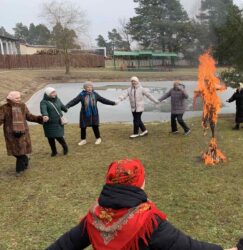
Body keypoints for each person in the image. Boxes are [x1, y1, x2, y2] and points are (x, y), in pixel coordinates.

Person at [47, 159, 223, 250]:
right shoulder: (148, 220)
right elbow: (187, 247)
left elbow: (65, 245)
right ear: (140, 183)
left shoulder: (95, 214)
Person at [0, 91, 43, 176]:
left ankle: (19, 170)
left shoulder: (23, 106)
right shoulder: (4, 108)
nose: (19, 99)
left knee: (21, 151)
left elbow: (29, 116)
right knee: (16, 152)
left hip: (23, 132)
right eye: (16, 98)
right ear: (10, 98)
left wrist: (39, 118)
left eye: (19, 97)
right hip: (11, 134)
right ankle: (26, 160)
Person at [66, 82, 117, 146]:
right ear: (85, 88)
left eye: (90, 87)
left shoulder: (95, 94)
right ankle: (83, 140)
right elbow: (74, 101)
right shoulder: (81, 95)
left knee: (95, 126)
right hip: (84, 114)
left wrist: (113, 103)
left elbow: (103, 100)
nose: (89, 88)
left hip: (94, 113)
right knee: (83, 127)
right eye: (88, 87)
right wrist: (67, 106)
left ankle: (98, 138)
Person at [40, 87, 69, 157]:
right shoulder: (44, 102)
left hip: (58, 122)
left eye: (54, 92)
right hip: (49, 123)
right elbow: (43, 109)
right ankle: (54, 151)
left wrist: (65, 109)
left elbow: (62, 106)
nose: (54, 94)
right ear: (48, 94)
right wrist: (45, 115)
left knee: (59, 136)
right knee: (50, 138)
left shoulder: (57, 100)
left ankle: (65, 148)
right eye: (52, 93)